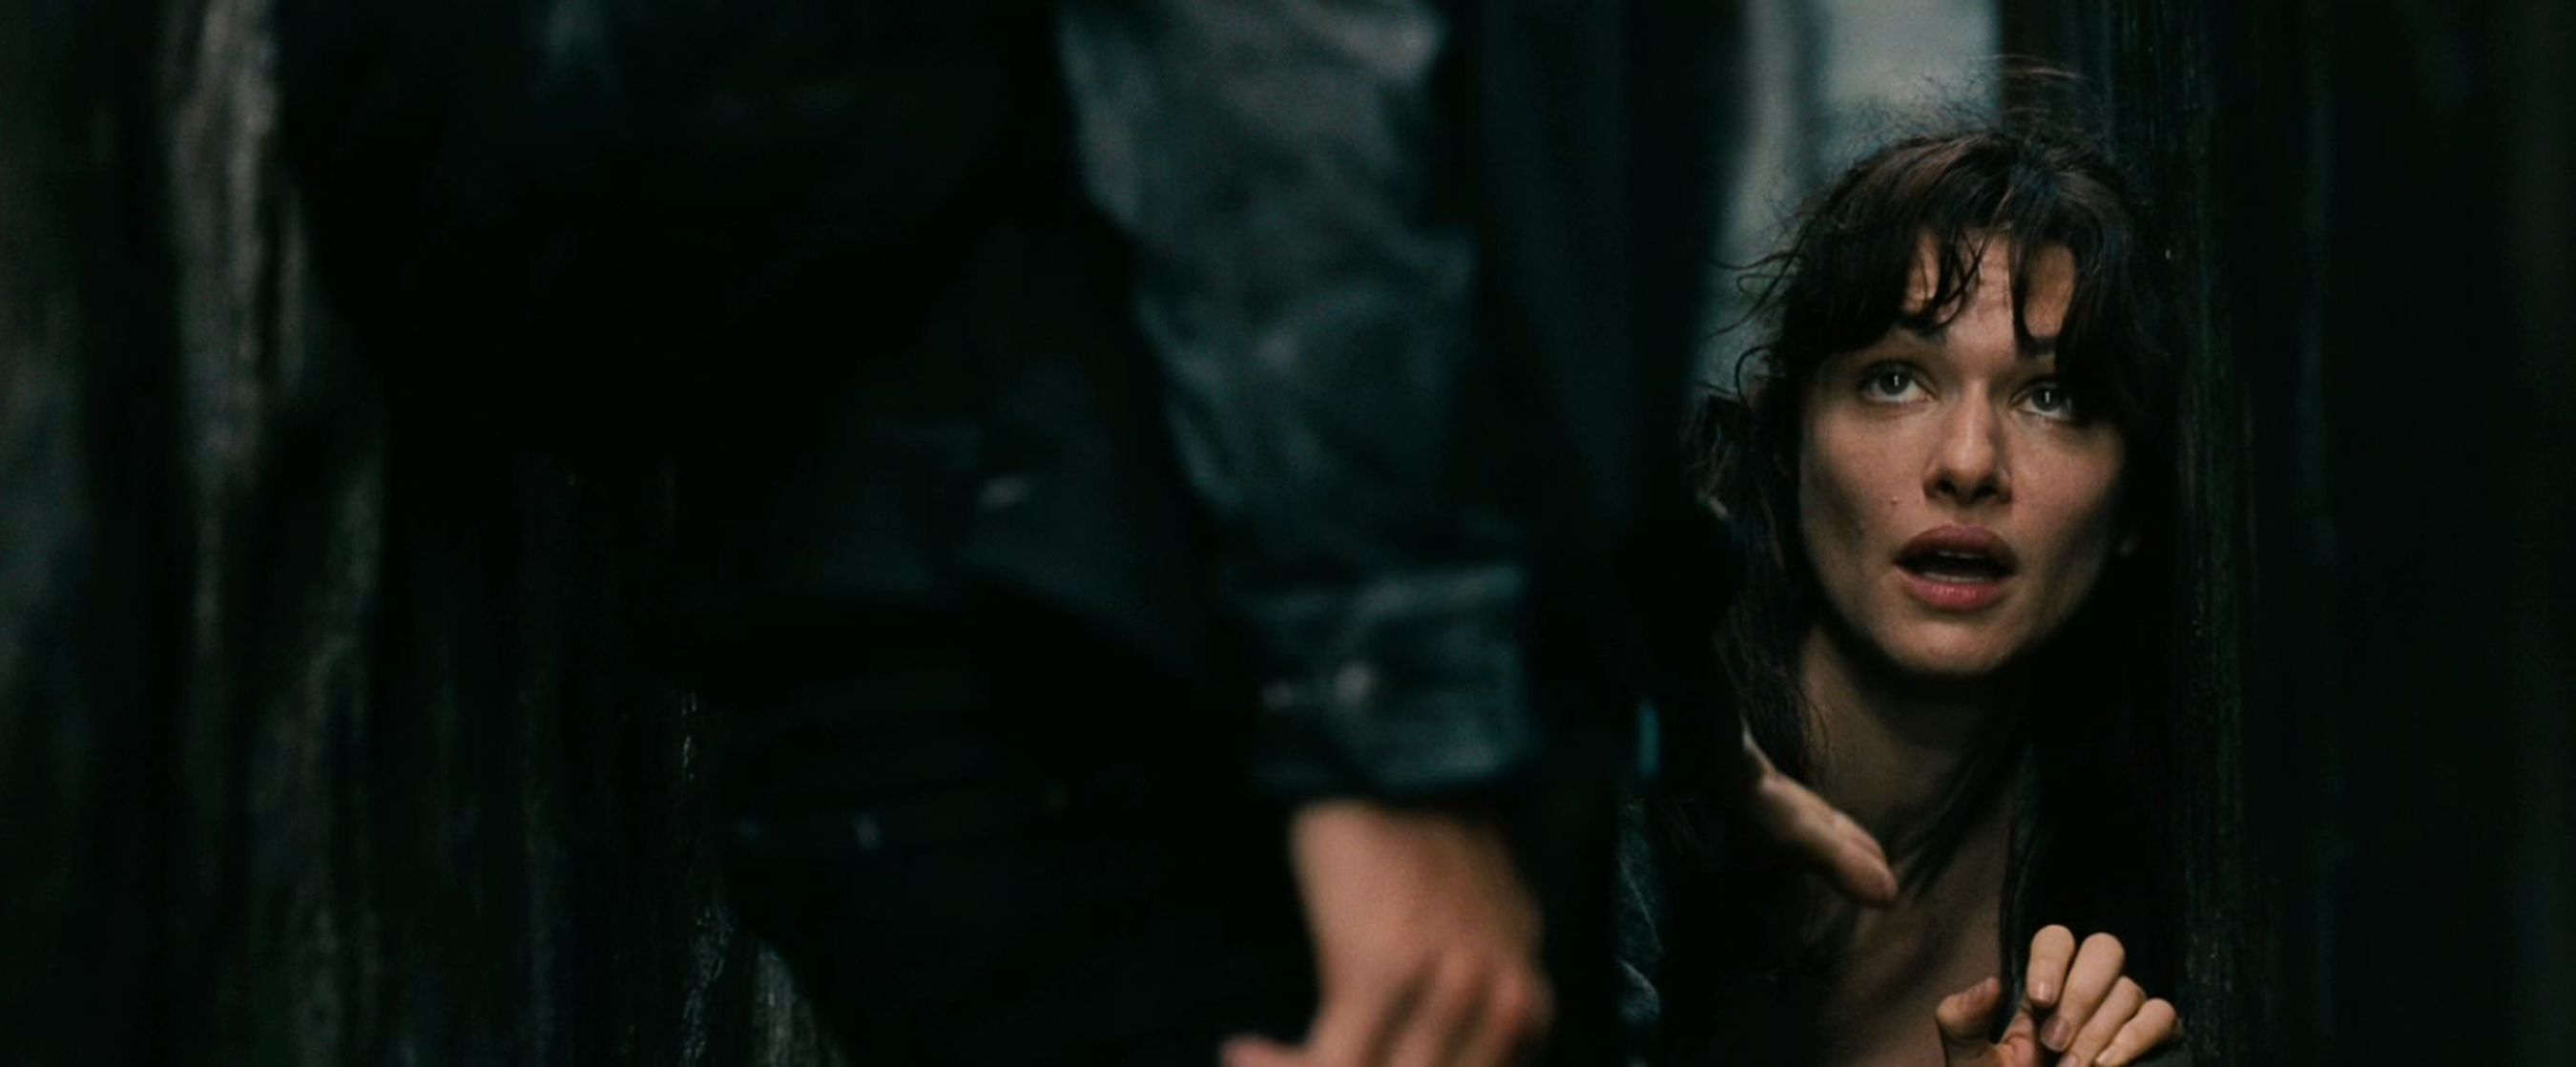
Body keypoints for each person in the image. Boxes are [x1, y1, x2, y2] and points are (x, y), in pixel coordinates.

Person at [278, 2, 1895, 1066]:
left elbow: (1519, 188)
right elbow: (1279, 74)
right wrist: (1387, 743)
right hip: (1111, 671)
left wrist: (1653, 653)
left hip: (1165, 646)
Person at [1623, 105, 2196, 1067]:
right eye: (1895, 380)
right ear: (1789, 442)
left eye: (2052, 397)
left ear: (2134, 503)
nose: (1968, 463)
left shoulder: (2127, 910)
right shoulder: (1629, 748)